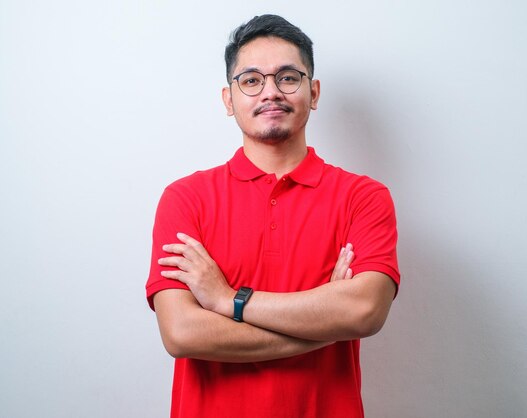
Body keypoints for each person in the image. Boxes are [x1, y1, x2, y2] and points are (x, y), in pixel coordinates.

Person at [145, 14, 400, 418]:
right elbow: (181, 333)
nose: (270, 92)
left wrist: (229, 300)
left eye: (287, 78)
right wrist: (324, 324)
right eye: (251, 80)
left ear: (313, 92)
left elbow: (364, 312)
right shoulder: (185, 198)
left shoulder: (363, 198)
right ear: (229, 100)